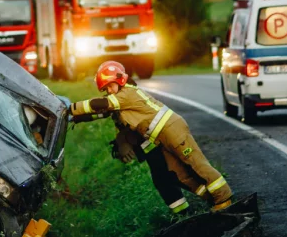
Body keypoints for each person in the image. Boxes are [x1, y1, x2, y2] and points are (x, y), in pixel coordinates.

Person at [68, 61, 233, 211]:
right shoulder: (120, 98)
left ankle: (224, 199)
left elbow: (99, 104)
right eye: (106, 90)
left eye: (109, 86)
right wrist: (75, 118)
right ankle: (211, 199)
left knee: (196, 163)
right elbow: (100, 112)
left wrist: (70, 108)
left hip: (172, 129)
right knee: (179, 174)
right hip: (162, 136)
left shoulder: (127, 94)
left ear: (119, 80)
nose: (109, 91)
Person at [110, 125, 195, 216]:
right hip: (151, 141)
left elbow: (131, 120)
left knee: (172, 176)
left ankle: (207, 196)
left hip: (156, 139)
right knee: (163, 179)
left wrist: (122, 140)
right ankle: (183, 214)